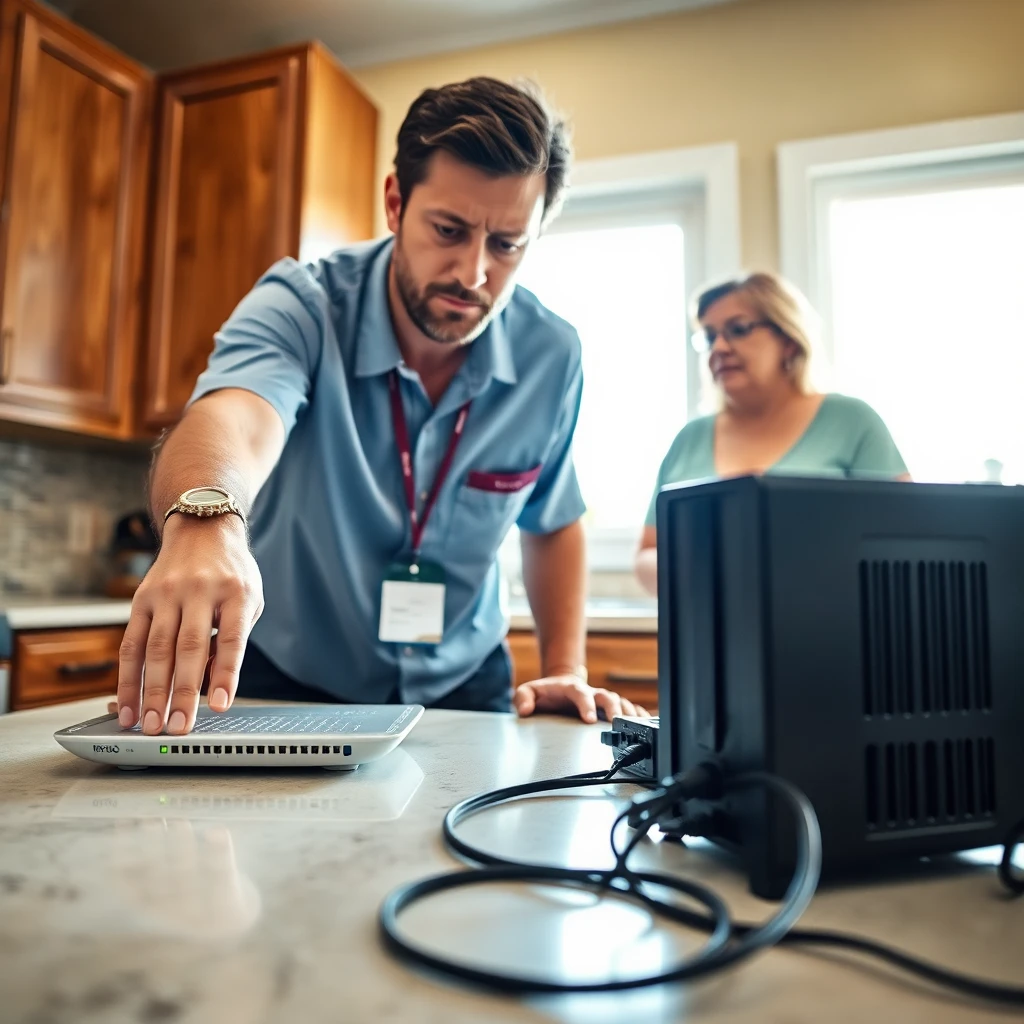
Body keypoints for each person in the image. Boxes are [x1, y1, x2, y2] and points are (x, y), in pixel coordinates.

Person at [117, 76, 648, 737]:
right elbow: (235, 415)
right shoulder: (302, 305)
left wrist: (565, 666)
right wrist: (206, 523)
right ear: (396, 202)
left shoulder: (553, 353)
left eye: (507, 244)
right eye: (448, 230)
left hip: (465, 678)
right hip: (289, 673)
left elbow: (553, 518)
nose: (473, 274)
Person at [636, 271, 908, 594]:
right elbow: (647, 554)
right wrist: (697, 569)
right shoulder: (688, 439)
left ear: (789, 341)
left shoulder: (853, 421)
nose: (719, 347)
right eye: (709, 337)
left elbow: (906, 539)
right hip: (714, 632)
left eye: (738, 330)